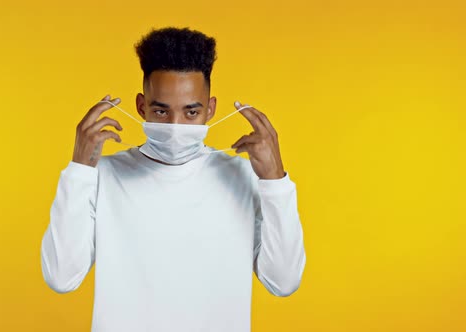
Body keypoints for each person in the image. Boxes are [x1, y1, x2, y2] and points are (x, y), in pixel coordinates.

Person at [40, 26, 307, 332]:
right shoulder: (103, 176)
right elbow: (61, 276)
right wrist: (78, 170)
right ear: (142, 107)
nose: (176, 125)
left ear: (210, 109)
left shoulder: (244, 177)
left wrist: (275, 182)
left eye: (191, 113)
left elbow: (283, 281)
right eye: (162, 112)